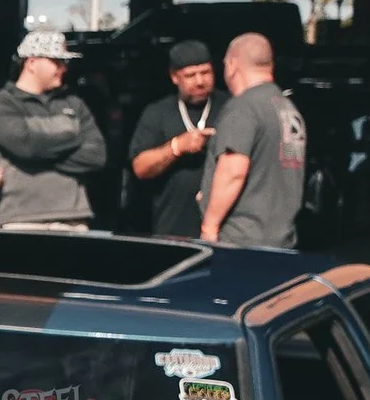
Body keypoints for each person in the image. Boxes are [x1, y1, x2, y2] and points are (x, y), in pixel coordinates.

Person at [0, 28, 105, 230]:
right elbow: (26, 146)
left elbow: (97, 156)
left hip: (73, 218)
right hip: (20, 219)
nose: (64, 68)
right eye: (56, 61)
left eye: (64, 62)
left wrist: (32, 157)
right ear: (31, 62)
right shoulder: (1, 103)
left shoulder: (75, 103)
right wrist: (71, 132)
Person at [198, 31, 308, 246]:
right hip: (281, 239)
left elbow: (233, 172)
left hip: (241, 242)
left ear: (232, 64)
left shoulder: (244, 108)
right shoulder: (286, 107)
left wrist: (209, 227)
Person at [126, 40, 226, 237]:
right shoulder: (158, 112)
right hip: (173, 227)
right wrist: (177, 147)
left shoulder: (230, 106)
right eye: (190, 75)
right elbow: (140, 167)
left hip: (225, 228)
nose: (199, 81)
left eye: (205, 73)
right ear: (174, 77)